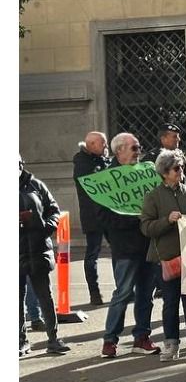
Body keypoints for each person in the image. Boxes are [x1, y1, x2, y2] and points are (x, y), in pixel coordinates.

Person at [98, 133, 159, 357]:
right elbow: (102, 217)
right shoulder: (105, 179)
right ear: (119, 151)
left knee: (146, 294)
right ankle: (110, 340)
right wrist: (135, 218)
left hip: (148, 244)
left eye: (139, 147)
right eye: (134, 148)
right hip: (125, 246)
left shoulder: (145, 173)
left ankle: (142, 337)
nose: (138, 152)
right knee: (123, 293)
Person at [138, 149, 186, 362]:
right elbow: (146, 228)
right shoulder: (153, 197)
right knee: (171, 302)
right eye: (176, 168)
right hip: (165, 257)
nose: (180, 171)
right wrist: (167, 220)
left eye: (181, 166)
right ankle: (171, 344)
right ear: (165, 172)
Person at [19, 158, 70, 356]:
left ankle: (53, 339)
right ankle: (21, 341)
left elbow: (54, 210)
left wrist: (45, 227)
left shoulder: (36, 185)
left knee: (45, 297)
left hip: (38, 248)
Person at [72, 130, 108, 306]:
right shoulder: (81, 162)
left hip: (109, 214)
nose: (106, 147)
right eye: (103, 144)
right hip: (93, 215)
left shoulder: (102, 159)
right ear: (92, 145)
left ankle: (124, 289)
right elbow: (96, 181)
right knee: (93, 253)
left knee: (118, 250)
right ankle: (94, 292)